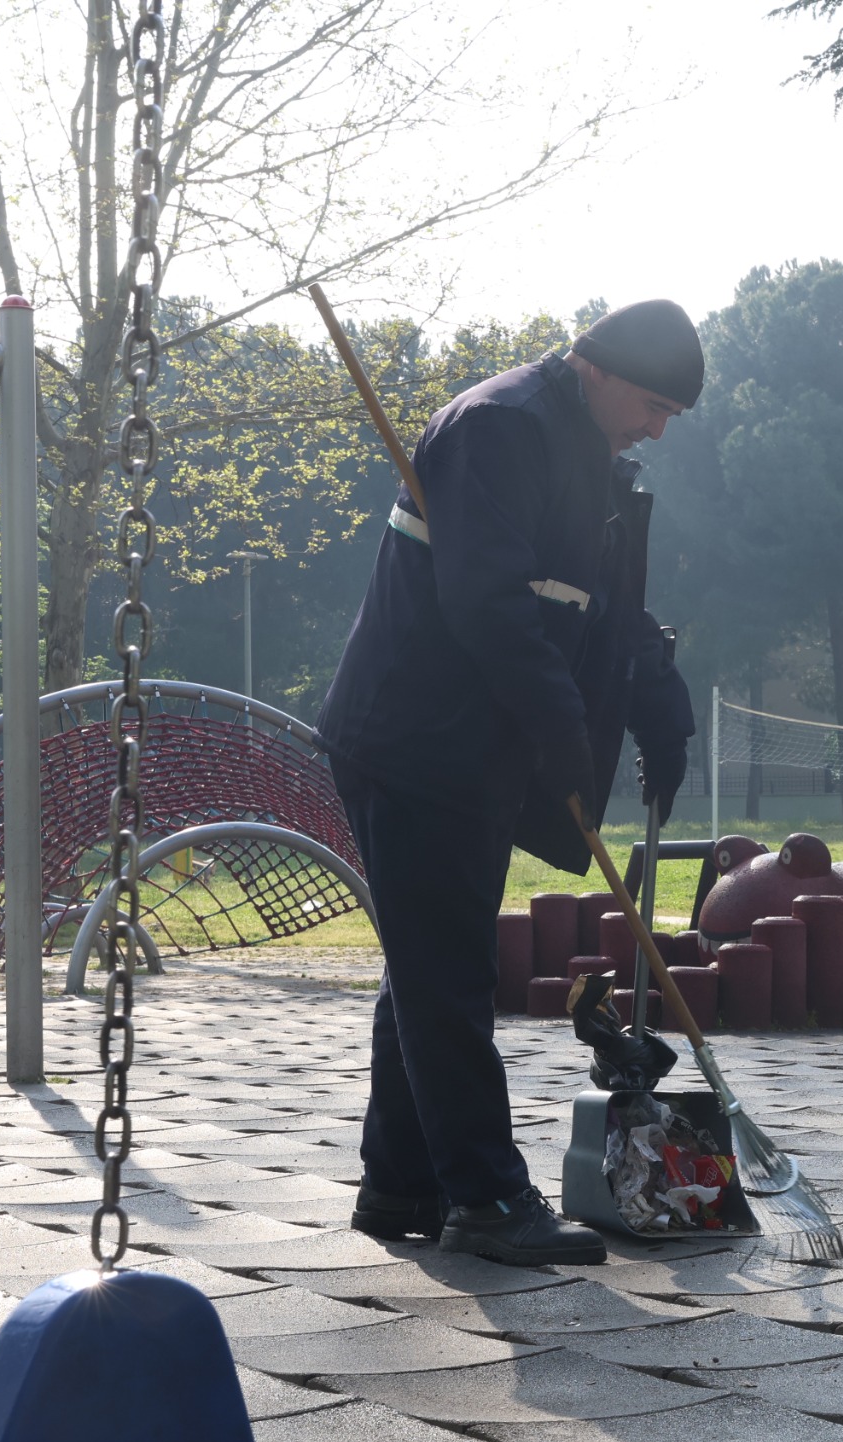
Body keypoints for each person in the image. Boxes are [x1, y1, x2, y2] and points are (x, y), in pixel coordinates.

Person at [316, 301, 700, 1266]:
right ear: (597, 369)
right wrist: (564, 731)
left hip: (472, 746)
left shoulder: (590, 453)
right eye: (652, 404)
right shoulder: (498, 428)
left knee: (428, 960)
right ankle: (486, 1199)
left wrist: (658, 697)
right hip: (415, 736)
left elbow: (605, 606)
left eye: (669, 416)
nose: (657, 427)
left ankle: (402, 1186)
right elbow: (488, 606)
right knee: (447, 973)